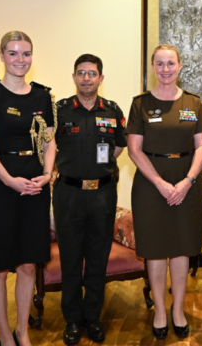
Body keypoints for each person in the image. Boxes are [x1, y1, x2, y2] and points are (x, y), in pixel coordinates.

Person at [0, 31, 56, 346]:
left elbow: (49, 142)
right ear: (2, 55)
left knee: (29, 262)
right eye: (13, 53)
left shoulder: (43, 96)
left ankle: (23, 331)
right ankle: (5, 336)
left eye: (26, 53)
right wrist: (9, 180)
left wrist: (47, 174)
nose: (21, 59)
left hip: (35, 187)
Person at [126, 44, 202, 340]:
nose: (165, 69)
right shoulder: (140, 104)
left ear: (180, 65)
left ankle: (178, 310)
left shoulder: (194, 103)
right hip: (151, 184)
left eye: (170, 63)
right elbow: (134, 150)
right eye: (159, 64)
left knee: (182, 247)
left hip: (187, 182)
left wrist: (188, 181)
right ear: (153, 67)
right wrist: (160, 183)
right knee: (156, 248)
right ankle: (160, 310)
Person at [53, 54, 126, 345]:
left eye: (92, 73)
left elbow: (119, 146)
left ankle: (93, 317)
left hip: (102, 194)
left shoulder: (113, 110)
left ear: (101, 78)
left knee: (98, 256)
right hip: (68, 193)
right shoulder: (58, 110)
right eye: (81, 73)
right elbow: (48, 146)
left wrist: (100, 168)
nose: (86, 78)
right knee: (70, 257)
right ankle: (72, 319)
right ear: (74, 77)